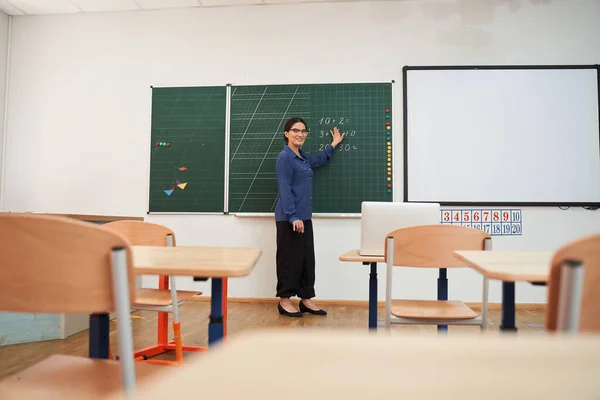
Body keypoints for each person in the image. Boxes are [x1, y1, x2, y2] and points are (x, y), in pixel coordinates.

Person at [274, 117, 345, 317]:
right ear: (286, 133)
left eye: (304, 131)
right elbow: (285, 189)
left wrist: (333, 144)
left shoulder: (302, 157)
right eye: (295, 130)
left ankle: (306, 300)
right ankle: (285, 301)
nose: (300, 134)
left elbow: (318, 160)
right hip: (290, 219)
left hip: (304, 217)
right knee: (289, 260)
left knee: (306, 260)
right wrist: (292, 216)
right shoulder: (285, 158)